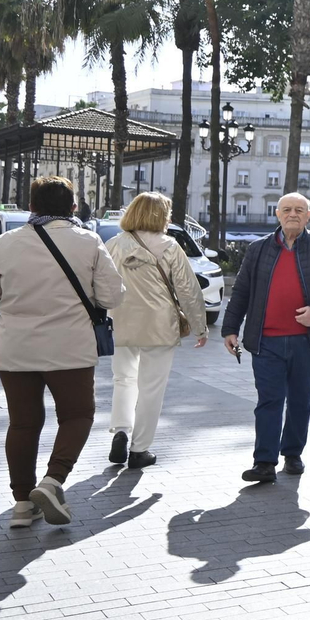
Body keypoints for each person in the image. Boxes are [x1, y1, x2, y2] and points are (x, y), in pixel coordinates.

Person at [0, 175, 125, 527]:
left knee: (23, 423)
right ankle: (53, 481)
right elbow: (112, 297)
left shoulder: (6, 242)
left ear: (31, 206)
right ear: (73, 207)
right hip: (69, 347)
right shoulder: (88, 241)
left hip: (15, 348)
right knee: (77, 415)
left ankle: (23, 505)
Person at [221, 192, 310, 484]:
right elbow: (241, 292)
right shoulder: (257, 249)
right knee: (269, 400)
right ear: (277, 215)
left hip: (307, 341)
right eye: (287, 209)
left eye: (299, 210)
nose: (293, 214)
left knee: (301, 399)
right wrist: (230, 329)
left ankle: (292, 453)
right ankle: (264, 462)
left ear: (308, 215)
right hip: (265, 341)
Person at [104, 192, 208, 469]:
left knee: (123, 380)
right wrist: (200, 326)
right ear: (160, 216)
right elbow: (187, 289)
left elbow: (99, 284)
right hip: (160, 326)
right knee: (151, 388)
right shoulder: (170, 246)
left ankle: (121, 431)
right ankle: (140, 450)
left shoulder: (113, 244)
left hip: (121, 322)